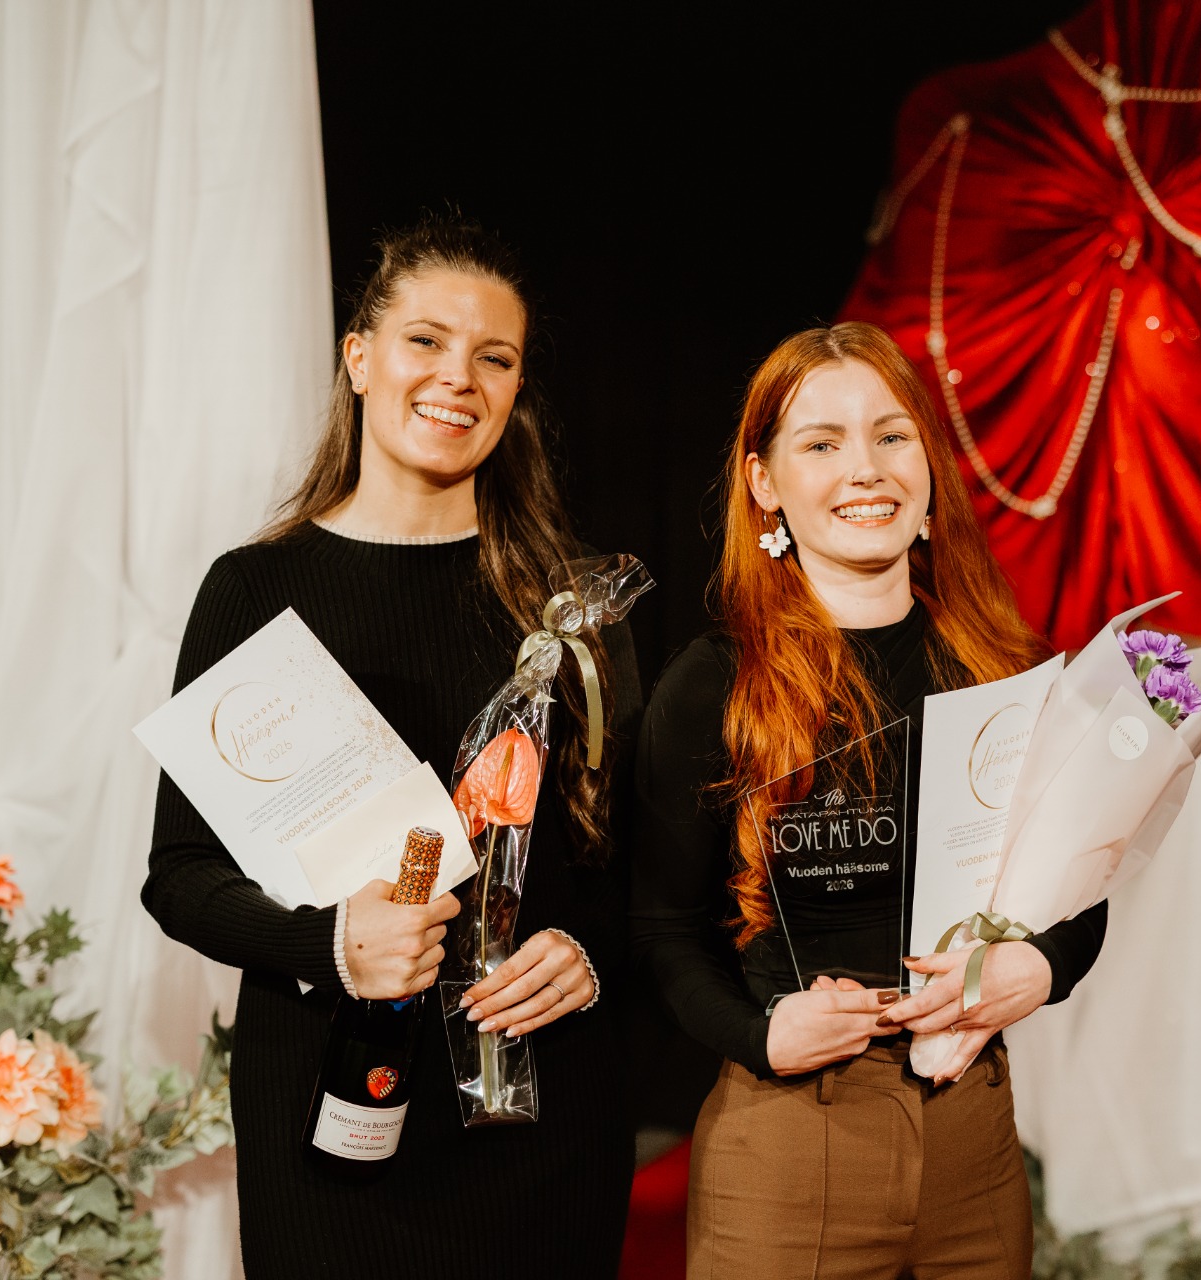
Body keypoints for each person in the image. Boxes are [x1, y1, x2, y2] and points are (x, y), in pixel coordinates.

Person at [142, 216, 639, 1279]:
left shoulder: (573, 607)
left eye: (493, 357)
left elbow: (641, 872)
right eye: (425, 340)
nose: (458, 376)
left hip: (540, 1120)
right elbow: (178, 877)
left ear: (515, 389)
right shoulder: (254, 590)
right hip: (326, 1118)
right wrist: (330, 946)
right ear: (359, 357)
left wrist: (587, 957)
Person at [632, 321, 1108, 1279]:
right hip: (789, 1143)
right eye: (822, 443)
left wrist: (1045, 966)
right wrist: (763, 1033)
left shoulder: (1002, 670)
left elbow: (1076, 888)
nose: (867, 469)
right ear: (764, 482)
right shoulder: (713, 686)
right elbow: (660, 925)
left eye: (892, 436)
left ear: (928, 466)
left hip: (974, 1134)